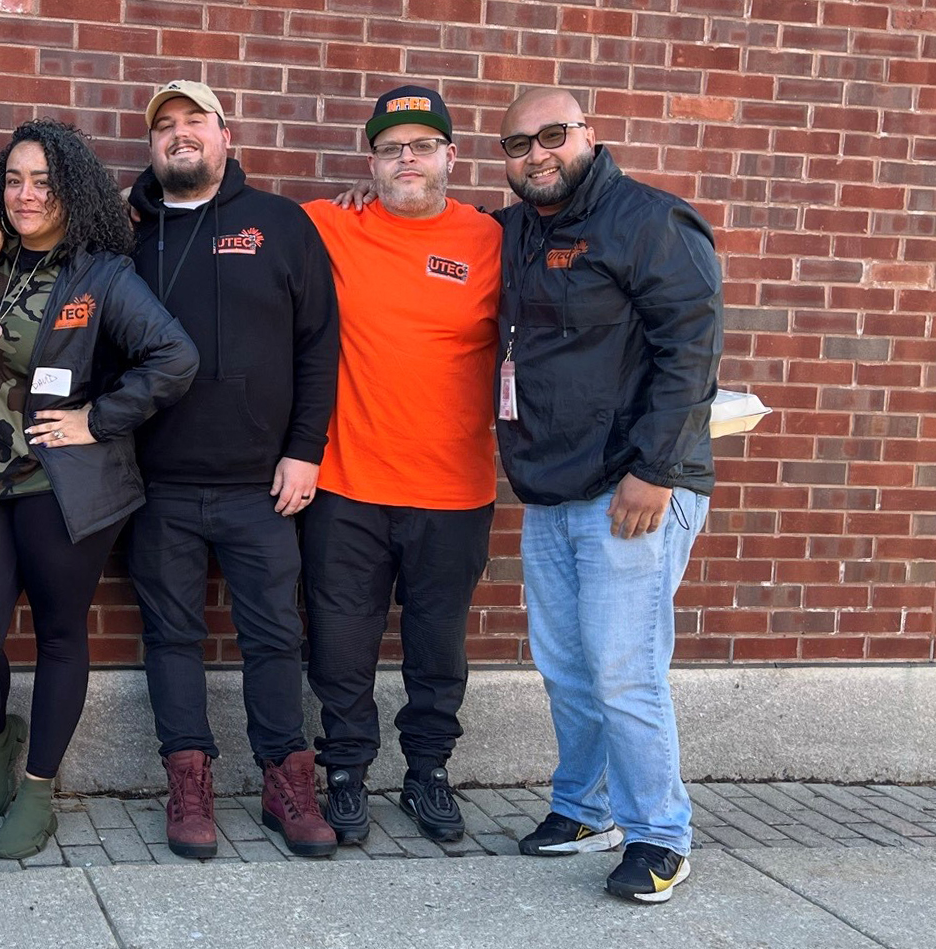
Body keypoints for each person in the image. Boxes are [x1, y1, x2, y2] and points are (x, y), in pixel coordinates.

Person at [493, 88, 723, 905]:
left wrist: (654, 470)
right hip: (551, 486)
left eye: (551, 135)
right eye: (516, 144)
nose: (535, 155)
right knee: (565, 665)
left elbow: (691, 351)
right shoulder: (517, 227)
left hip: (636, 487)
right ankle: (582, 807)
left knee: (624, 669)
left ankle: (661, 834)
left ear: (588, 135)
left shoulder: (649, 221)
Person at [0, 119, 197, 860]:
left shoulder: (99, 274)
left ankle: (37, 787)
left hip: (62, 489)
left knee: (60, 634)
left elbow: (174, 357)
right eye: (13, 180)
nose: (25, 195)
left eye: (43, 183)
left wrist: (98, 417)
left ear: (73, 190)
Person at [123, 81, 339, 859]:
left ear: (224, 133)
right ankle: (188, 785)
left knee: (276, 635)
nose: (179, 136)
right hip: (157, 484)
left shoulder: (279, 223)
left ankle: (286, 783)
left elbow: (319, 343)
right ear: (152, 146)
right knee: (171, 635)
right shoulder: (125, 229)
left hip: (262, 484)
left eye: (194, 123)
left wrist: (305, 449)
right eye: (165, 127)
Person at [302, 86, 502, 848]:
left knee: (437, 648)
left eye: (421, 145)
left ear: (451, 156)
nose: (406, 159)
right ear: (371, 163)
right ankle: (346, 772)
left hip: (453, 491)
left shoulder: (493, 238)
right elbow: (207, 203)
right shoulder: (331, 222)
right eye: (390, 148)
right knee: (339, 646)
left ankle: (427, 772)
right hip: (345, 485)